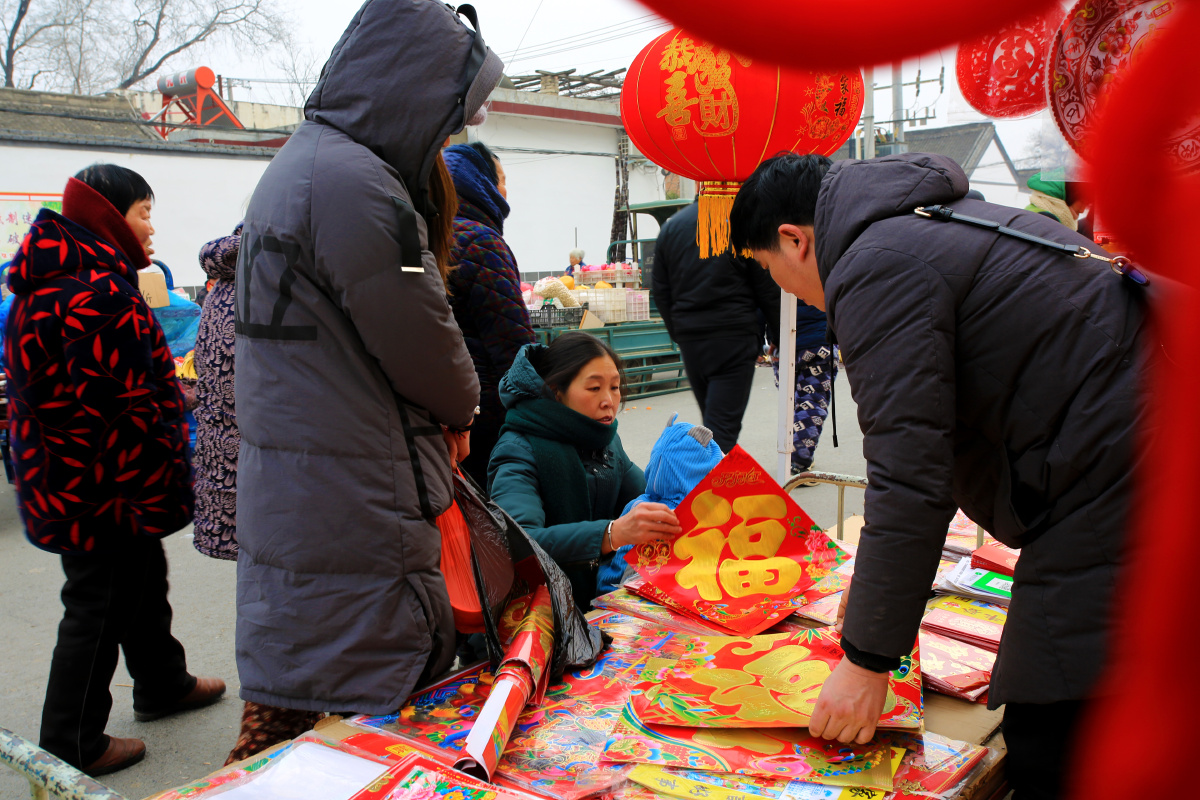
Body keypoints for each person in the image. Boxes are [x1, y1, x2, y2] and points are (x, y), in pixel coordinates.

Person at [730, 152, 1148, 800]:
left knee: (1053, 726)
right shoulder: (934, 219)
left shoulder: (872, 263)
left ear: (794, 239)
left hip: (1126, 468)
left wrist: (868, 659)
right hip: (1130, 442)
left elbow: (907, 469)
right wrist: (876, 599)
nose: (785, 289)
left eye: (768, 270)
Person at [233, 0, 501, 718]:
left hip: (311, 466)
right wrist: (464, 405)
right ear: (413, 91)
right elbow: (423, 339)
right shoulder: (357, 187)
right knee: (365, 700)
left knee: (307, 683)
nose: (451, 132)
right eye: (451, 111)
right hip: (351, 476)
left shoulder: (307, 164)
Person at [6, 164, 224, 776]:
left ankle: (161, 681)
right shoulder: (93, 293)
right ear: (108, 215)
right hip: (99, 486)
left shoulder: (57, 281)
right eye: (143, 212)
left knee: (141, 576)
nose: (151, 227)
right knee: (98, 601)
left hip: (75, 477)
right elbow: (119, 406)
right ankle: (71, 740)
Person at [489, 333, 682, 610]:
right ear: (557, 391)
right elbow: (520, 542)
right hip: (542, 611)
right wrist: (612, 533)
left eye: (615, 387)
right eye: (594, 389)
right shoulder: (518, 448)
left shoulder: (605, 441)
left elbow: (649, 493)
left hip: (601, 597)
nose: (609, 401)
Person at [652, 199, 781, 453]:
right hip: (733, 337)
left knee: (713, 426)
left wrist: (678, 332)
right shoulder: (739, 223)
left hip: (692, 341)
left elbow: (661, 290)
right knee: (721, 431)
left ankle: (715, 483)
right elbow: (767, 288)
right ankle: (708, 487)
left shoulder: (672, 228)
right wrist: (777, 334)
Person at [443, 141, 536, 487]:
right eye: (500, 178)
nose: (505, 189)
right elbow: (513, 343)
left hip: (445, 399)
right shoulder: (481, 241)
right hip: (487, 406)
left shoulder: (427, 233)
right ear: (477, 182)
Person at [775, 298, 835, 474]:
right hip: (818, 339)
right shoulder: (826, 269)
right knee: (812, 401)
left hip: (783, 341)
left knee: (791, 400)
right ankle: (800, 459)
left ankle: (793, 452)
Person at [1024, 170, 1088, 231]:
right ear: (1069, 195)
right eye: (1082, 202)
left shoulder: (1034, 211)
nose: (1082, 210)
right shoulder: (1046, 220)